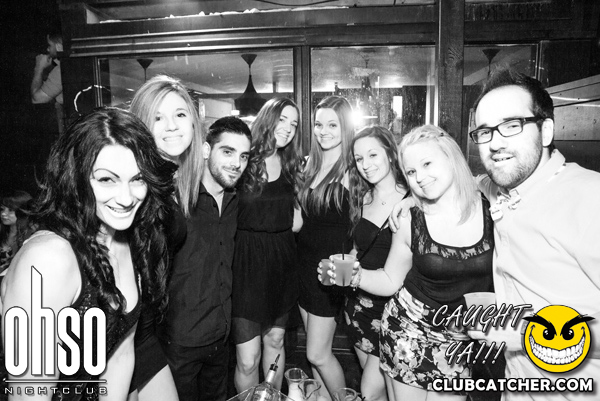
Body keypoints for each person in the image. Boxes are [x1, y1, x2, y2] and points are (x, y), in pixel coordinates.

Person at [1, 107, 177, 400]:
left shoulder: (126, 239)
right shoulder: (48, 259)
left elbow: (119, 357)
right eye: (107, 179)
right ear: (76, 178)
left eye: (138, 179)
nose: (126, 198)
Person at [466, 69, 600, 400]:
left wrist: (529, 336)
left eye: (512, 125)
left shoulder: (590, 199)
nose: (495, 143)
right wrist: (410, 198)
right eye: (485, 131)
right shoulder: (501, 188)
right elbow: (469, 182)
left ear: (546, 131)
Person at [343, 125, 494, 401]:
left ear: (450, 156)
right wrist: (356, 275)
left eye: (427, 164)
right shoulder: (410, 219)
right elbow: (391, 280)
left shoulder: (491, 205)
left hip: (459, 341)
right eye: (411, 172)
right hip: (407, 331)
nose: (420, 177)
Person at [158, 116, 252, 401]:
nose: (237, 163)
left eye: (244, 156)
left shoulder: (235, 201)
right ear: (206, 150)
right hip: (181, 340)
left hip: (220, 337)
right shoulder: (177, 199)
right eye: (228, 151)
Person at [128, 74, 205, 401]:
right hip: (125, 329)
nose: (172, 126)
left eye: (180, 114)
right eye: (157, 117)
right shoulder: (136, 182)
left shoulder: (170, 179)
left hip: (147, 326)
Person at [232, 98, 304, 392]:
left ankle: (272, 397)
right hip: (246, 264)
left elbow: (297, 221)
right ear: (267, 119)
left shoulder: (291, 164)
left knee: (275, 340)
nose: (288, 128)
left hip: (282, 262)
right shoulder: (244, 160)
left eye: (294, 124)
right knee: (248, 359)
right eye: (282, 120)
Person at [297, 95, 354, 400]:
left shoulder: (354, 169)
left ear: (345, 127)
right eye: (319, 124)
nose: (323, 131)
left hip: (331, 274)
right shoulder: (311, 164)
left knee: (318, 354)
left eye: (332, 125)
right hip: (304, 268)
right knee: (314, 353)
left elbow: (366, 224)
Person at [345, 126, 407, 401]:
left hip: (392, 311)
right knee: (378, 393)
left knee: (369, 390)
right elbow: (359, 248)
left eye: (372, 155)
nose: (365, 164)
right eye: (359, 159)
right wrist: (347, 261)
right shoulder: (364, 197)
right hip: (358, 306)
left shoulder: (411, 199)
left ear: (390, 154)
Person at [31, 29, 64, 132]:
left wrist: (39, 68)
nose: (48, 49)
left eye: (50, 45)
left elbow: (37, 99)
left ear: (59, 46)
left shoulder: (61, 70)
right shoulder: (63, 66)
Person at [0, 190, 37, 274]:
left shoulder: (31, 236)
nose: (3, 214)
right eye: (2, 209)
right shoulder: (2, 229)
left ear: (23, 211)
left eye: (10, 210)